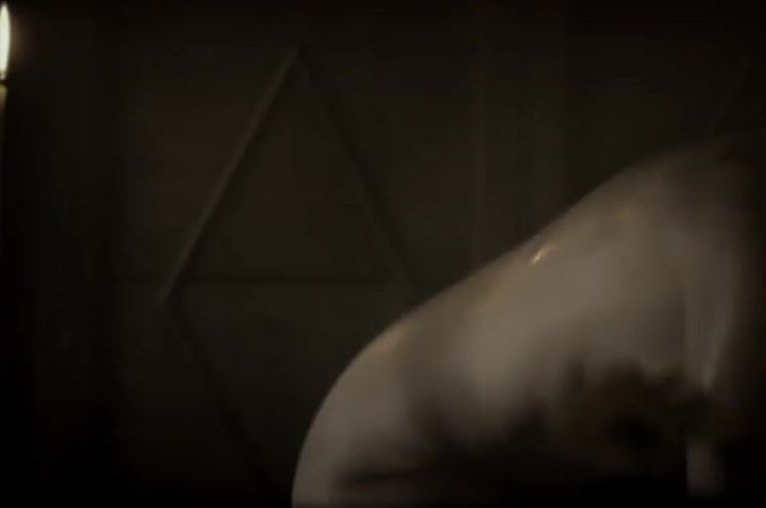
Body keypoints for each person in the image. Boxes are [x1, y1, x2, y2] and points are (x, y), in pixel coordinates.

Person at [293, 131, 766, 505]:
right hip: (373, 479)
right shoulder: (739, 213)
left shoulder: (722, 180)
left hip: (392, 457)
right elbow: (727, 458)